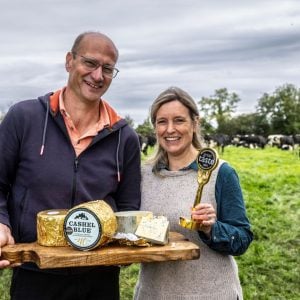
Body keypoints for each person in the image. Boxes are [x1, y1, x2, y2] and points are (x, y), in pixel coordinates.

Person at [0, 31, 141, 300]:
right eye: (90, 63)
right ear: (69, 61)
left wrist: (127, 246)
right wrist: (1, 222)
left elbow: (129, 206)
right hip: (36, 271)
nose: (98, 76)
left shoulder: (126, 137)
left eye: (108, 69)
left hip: (100, 277)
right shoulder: (24, 117)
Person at [134, 87, 253, 300]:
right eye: (162, 122)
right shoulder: (143, 175)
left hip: (211, 293)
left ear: (195, 123)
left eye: (179, 120)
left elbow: (242, 238)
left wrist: (211, 229)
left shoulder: (220, 173)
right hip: (152, 293)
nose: (170, 129)